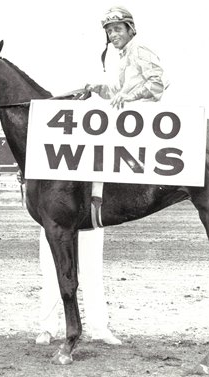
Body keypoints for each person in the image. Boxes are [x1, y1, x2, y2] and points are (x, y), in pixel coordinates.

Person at [35, 6, 169, 346]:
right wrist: (97, 87)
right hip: (127, 118)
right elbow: (116, 92)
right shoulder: (123, 57)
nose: (113, 35)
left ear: (130, 28)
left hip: (143, 124)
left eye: (117, 29)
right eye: (109, 31)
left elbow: (157, 84)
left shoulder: (141, 49)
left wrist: (127, 95)